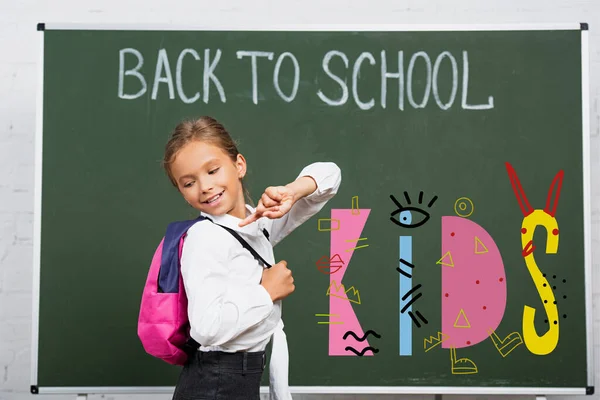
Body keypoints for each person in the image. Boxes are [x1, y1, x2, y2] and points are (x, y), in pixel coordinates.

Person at [162, 116, 341, 400]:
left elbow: (330, 176)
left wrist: (292, 192)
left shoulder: (255, 223)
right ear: (182, 192)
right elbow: (206, 328)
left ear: (239, 165)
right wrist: (265, 292)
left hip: (238, 378)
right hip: (216, 382)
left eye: (213, 170)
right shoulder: (204, 238)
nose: (205, 186)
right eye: (188, 183)